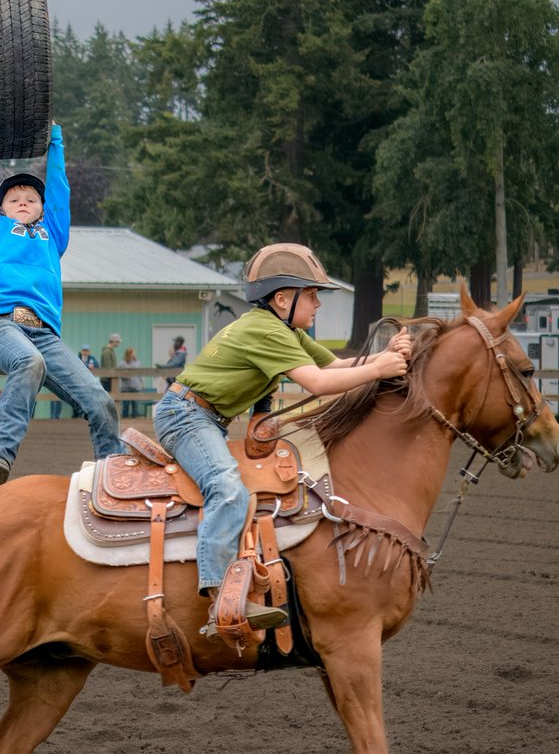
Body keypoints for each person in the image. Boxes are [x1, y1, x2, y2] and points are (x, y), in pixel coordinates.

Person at [153, 243, 412, 637]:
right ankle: (220, 598)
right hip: (186, 416)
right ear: (282, 299)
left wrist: (383, 356)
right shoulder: (266, 330)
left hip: (204, 416)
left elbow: (337, 365)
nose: (317, 304)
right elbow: (320, 383)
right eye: (311, 295)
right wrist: (380, 369)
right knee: (226, 488)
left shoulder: (282, 329)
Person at [0, 105, 122, 492]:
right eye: (13, 197)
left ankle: (115, 476)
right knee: (28, 362)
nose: (22, 200)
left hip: (44, 334)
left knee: (102, 403)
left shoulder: (54, 233)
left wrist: (56, 141)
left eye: (31, 197)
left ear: (41, 209)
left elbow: (60, 186)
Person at [119, 346, 145, 419]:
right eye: (132, 354)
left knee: (135, 405)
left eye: (134, 354)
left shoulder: (137, 362)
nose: (134, 355)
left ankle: (135, 420)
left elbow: (141, 374)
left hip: (136, 387)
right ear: (128, 354)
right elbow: (119, 374)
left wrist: (142, 383)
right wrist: (126, 376)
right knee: (125, 405)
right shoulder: (122, 363)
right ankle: (125, 419)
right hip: (125, 387)